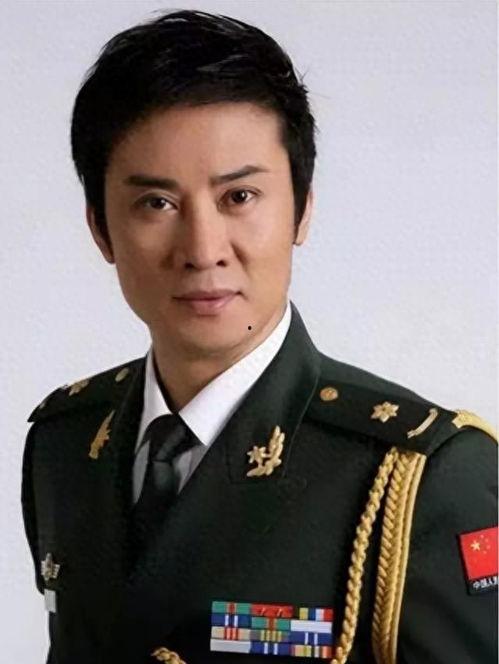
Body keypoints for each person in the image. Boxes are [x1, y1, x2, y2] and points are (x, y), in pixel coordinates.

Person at [21, 9, 497, 664]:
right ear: (101, 228)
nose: (202, 249)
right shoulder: (66, 445)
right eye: (156, 203)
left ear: (302, 209)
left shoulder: (420, 477)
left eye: (238, 197)